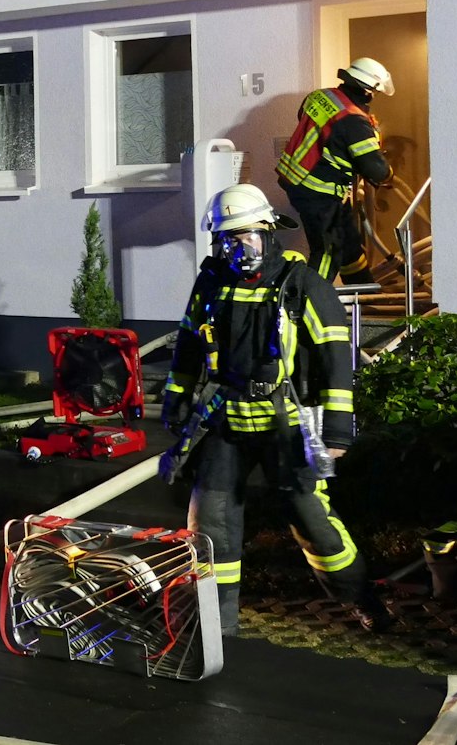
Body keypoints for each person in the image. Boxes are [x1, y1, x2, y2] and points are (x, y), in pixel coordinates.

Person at [160, 184, 388, 636]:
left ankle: (361, 598)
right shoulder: (211, 285)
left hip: (285, 423)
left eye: (247, 237)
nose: (238, 248)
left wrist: (338, 432)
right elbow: (188, 347)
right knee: (211, 526)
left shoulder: (303, 286)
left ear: (268, 232)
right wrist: (177, 400)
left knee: (313, 522)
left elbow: (336, 362)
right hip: (226, 419)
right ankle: (216, 626)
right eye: (228, 239)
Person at [275, 57, 396, 282]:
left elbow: (311, 124)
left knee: (348, 243)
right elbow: (376, 169)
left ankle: (364, 295)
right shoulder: (354, 121)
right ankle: (309, 303)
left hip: (296, 181)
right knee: (328, 251)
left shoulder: (320, 96)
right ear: (369, 91)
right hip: (320, 192)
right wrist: (389, 175)